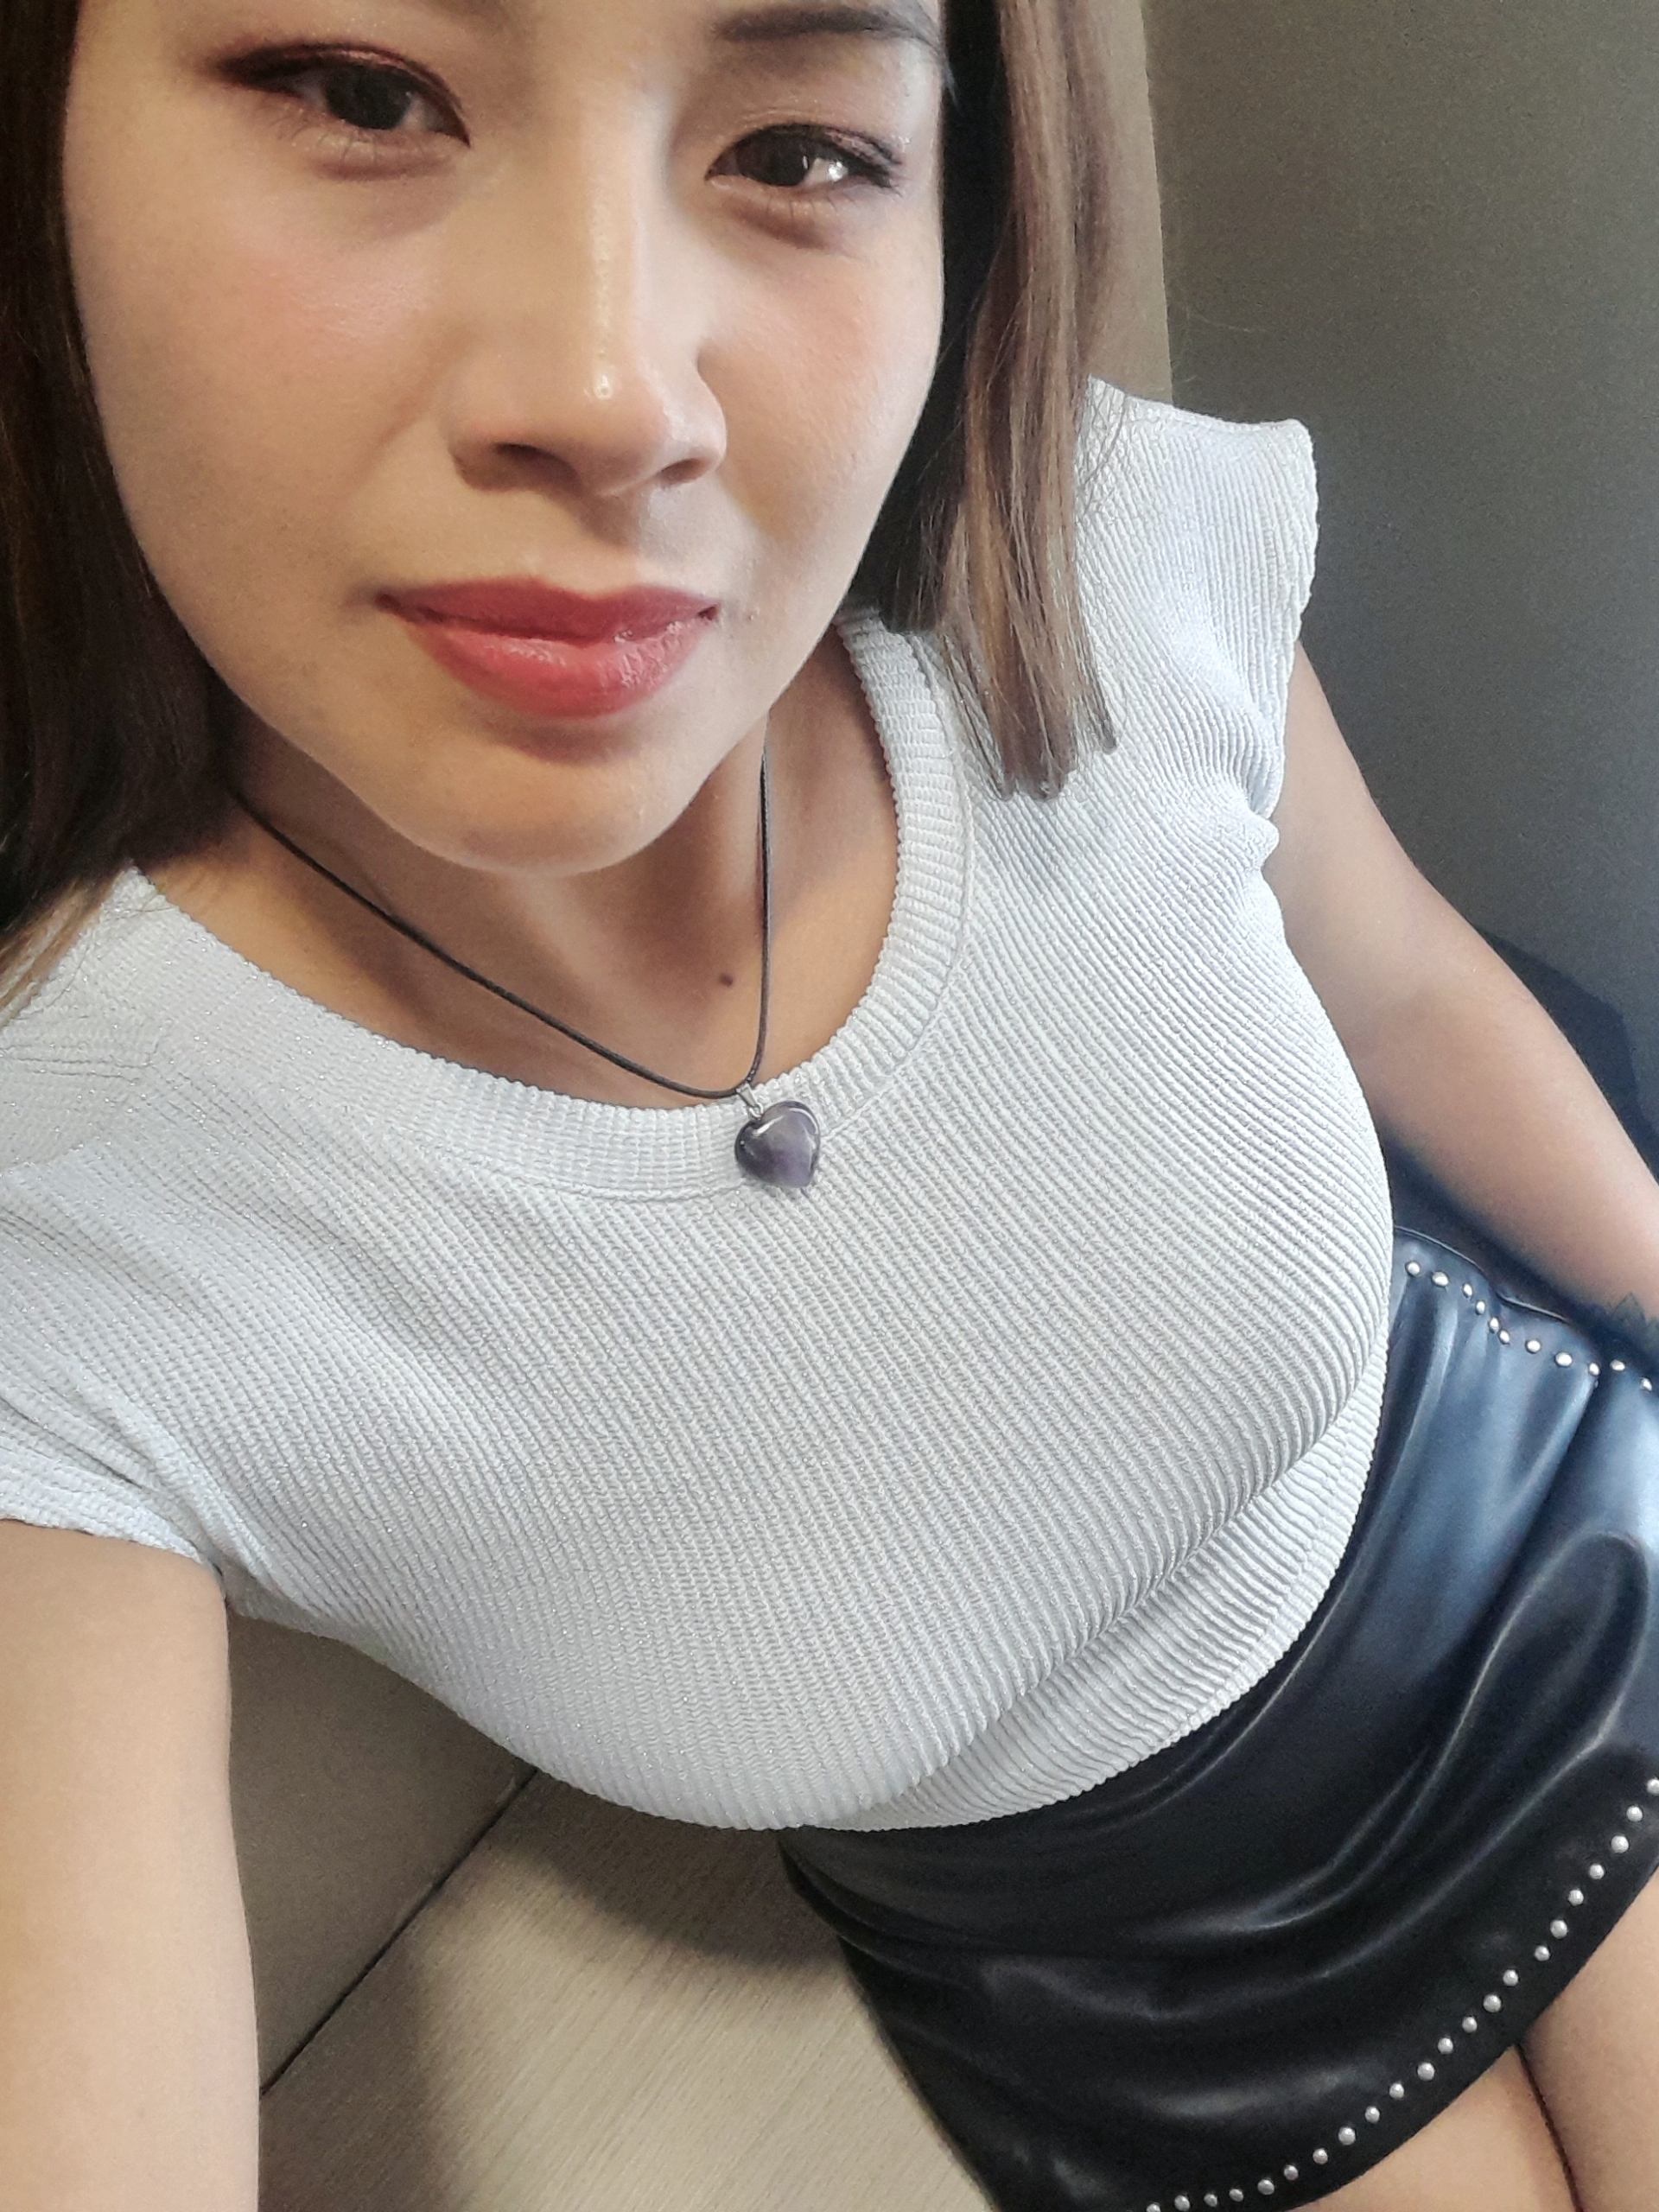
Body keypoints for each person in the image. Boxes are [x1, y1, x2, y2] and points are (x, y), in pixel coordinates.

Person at [3, 2, 1658, 2207]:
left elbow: (1413, 989)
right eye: (362, 92)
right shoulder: (66, 1217)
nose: (611, 393)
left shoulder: (1076, 556)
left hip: (1547, 1568)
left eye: (798, 149)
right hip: (1129, 1969)